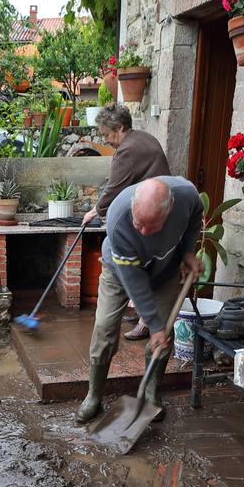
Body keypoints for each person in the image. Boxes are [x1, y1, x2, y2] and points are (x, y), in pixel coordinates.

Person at [76, 176, 203, 424]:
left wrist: (188, 251)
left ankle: (152, 395)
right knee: (104, 327)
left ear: (170, 209)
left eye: (151, 226)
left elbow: (195, 216)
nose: (143, 232)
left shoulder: (187, 196)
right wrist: (152, 325)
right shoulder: (118, 217)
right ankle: (94, 395)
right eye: (139, 224)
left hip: (165, 272)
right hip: (120, 272)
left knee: (164, 335)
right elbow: (134, 282)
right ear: (133, 207)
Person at [81, 104, 170, 341]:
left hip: (145, 217)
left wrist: (96, 211)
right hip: (159, 209)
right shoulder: (144, 138)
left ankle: (146, 323)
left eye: (107, 134)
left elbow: (113, 188)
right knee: (146, 266)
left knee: (136, 267)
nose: (106, 140)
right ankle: (142, 312)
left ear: (120, 127)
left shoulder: (126, 151)